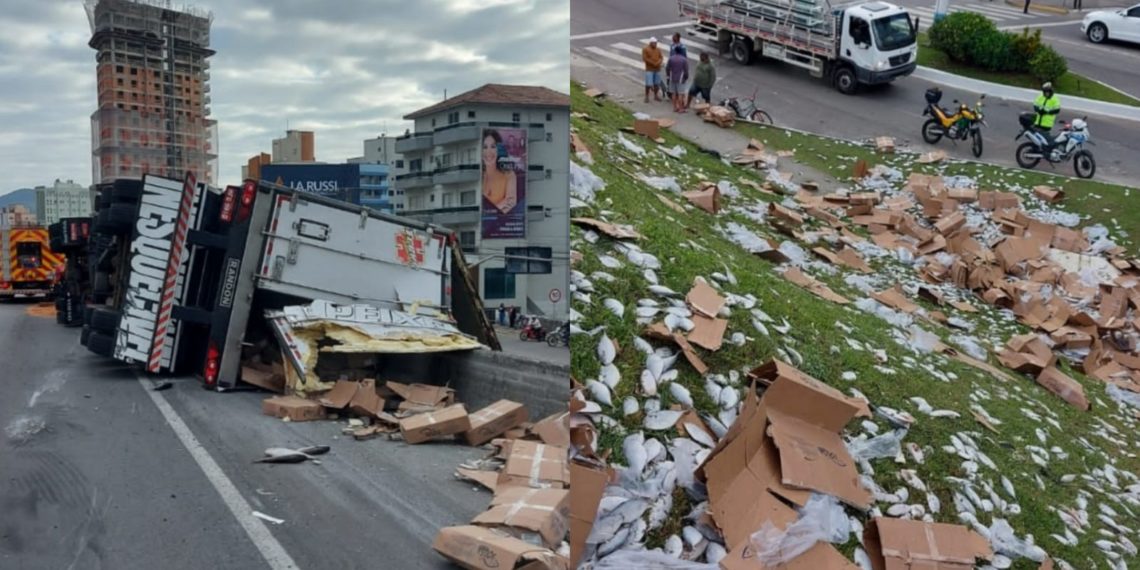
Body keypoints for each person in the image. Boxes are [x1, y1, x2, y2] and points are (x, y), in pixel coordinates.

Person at [481, 130, 518, 214]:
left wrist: (490, 212)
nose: (489, 152)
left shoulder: (509, 175)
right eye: (485, 147)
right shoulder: (477, 175)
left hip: (499, 223)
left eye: (493, 146)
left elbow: (511, 202)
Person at [666, 46, 689, 113]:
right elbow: (686, 71)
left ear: (675, 51)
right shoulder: (684, 59)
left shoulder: (671, 58)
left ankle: (675, 107)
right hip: (680, 79)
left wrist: (668, 76)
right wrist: (686, 77)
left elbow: (667, 68)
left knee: (673, 93)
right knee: (680, 94)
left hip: (672, 78)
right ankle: (681, 108)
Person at [642, 37, 665, 103]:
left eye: (656, 43)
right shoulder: (646, 49)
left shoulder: (658, 49)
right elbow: (645, 58)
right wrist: (653, 63)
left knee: (657, 84)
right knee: (648, 84)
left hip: (657, 69)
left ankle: (656, 95)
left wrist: (658, 62)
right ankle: (646, 96)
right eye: (654, 43)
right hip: (649, 69)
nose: (655, 44)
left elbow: (661, 57)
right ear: (650, 43)